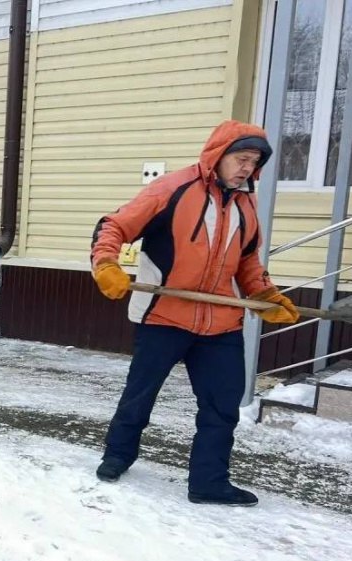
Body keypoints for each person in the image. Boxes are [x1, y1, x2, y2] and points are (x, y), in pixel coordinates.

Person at [89, 120, 300, 507]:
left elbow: (248, 263)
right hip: (164, 317)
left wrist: (265, 294)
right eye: (241, 158)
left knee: (222, 405)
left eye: (254, 162)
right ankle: (118, 455)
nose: (246, 168)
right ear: (218, 155)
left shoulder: (246, 206)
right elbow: (114, 226)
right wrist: (106, 264)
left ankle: (209, 481)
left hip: (220, 323)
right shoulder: (172, 189)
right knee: (141, 394)